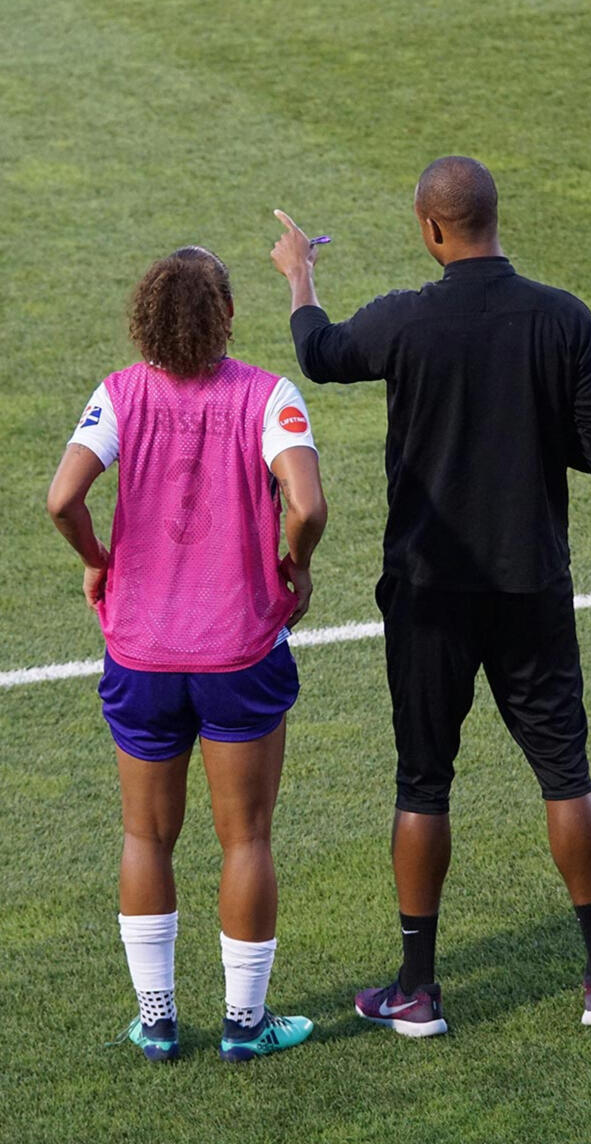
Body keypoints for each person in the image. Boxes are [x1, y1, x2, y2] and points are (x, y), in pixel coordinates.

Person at [269, 157, 591, 1035]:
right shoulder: (564, 319)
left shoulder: (407, 318)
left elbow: (320, 355)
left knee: (421, 781)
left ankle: (417, 992)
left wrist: (300, 275)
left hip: (427, 591)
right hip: (530, 587)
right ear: (491, 218)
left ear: (430, 229)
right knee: (566, 774)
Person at [47, 245, 327, 1061]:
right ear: (227, 317)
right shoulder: (268, 395)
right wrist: (294, 562)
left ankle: (158, 1021)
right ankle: (245, 1027)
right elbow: (306, 503)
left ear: (145, 318)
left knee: (145, 836)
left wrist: (97, 558)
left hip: (140, 657)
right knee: (246, 840)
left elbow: (61, 498)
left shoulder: (119, 395)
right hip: (240, 652)